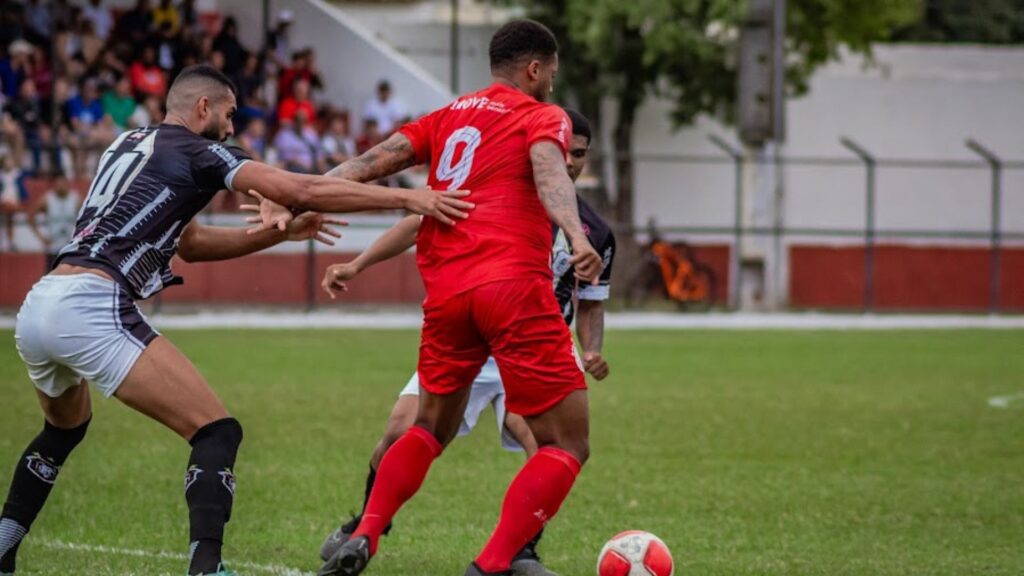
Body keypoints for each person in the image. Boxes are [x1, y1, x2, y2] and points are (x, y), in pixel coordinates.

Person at [1, 64, 473, 576]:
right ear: (203, 108)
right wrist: (409, 197)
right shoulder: (199, 149)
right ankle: (207, 568)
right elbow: (302, 189)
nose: (231, 129)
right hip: (92, 304)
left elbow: (193, 244)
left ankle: (3, 549)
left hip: (41, 303)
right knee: (217, 432)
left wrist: (280, 236)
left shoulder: (129, 144)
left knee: (62, 432)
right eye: (227, 115)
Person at [295, 19, 604, 576]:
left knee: (427, 429)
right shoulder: (542, 117)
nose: (552, 88)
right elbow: (548, 173)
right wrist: (577, 237)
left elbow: (371, 162)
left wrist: (298, 197)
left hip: (446, 293)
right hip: (513, 289)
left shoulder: (451, 114)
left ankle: (365, 532)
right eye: (550, 76)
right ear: (534, 69)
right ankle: (490, 566)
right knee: (567, 443)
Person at [27, 171, 81, 272]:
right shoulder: (47, 199)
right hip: (53, 247)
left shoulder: (75, 199)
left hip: (70, 247)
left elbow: (87, 218)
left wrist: (79, 236)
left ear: (67, 184)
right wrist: (41, 237)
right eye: (57, 184)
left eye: (62, 183)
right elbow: (30, 217)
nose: (60, 186)